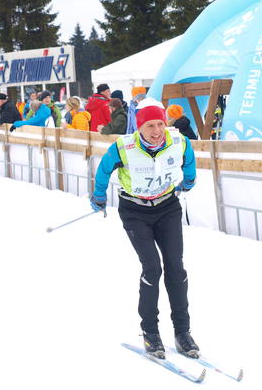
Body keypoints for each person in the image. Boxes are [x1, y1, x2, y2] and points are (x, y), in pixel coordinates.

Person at [90, 98, 200, 360]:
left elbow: (189, 159)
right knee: (152, 267)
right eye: (150, 125)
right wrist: (99, 195)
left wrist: (189, 180)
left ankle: (182, 331)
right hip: (135, 211)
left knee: (176, 267)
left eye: (160, 124)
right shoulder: (123, 147)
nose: (156, 131)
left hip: (167, 207)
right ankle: (150, 331)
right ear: (139, 127)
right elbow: (104, 170)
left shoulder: (179, 140)